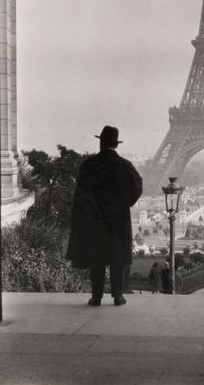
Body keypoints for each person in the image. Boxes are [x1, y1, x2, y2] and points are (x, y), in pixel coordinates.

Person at [66, 125, 142, 306]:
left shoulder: (89, 165)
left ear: (100, 142)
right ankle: (117, 296)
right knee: (118, 259)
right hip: (118, 220)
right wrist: (125, 203)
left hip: (95, 221)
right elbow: (137, 187)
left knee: (96, 260)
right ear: (116, 144)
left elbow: (81, 194)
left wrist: (87, 214)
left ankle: (97, 297)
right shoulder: (125, 165)